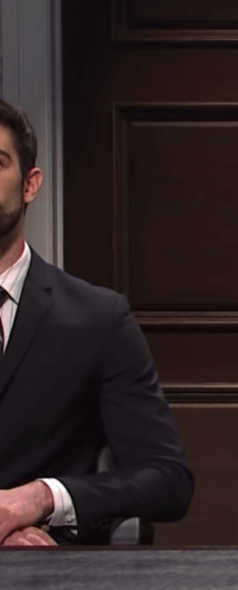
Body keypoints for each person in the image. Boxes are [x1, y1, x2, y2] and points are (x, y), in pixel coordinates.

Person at [0, 99, 194, 545]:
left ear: (30, 184)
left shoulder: (97, 319)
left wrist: (43, 499)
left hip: (42, 572)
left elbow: (167, 480)